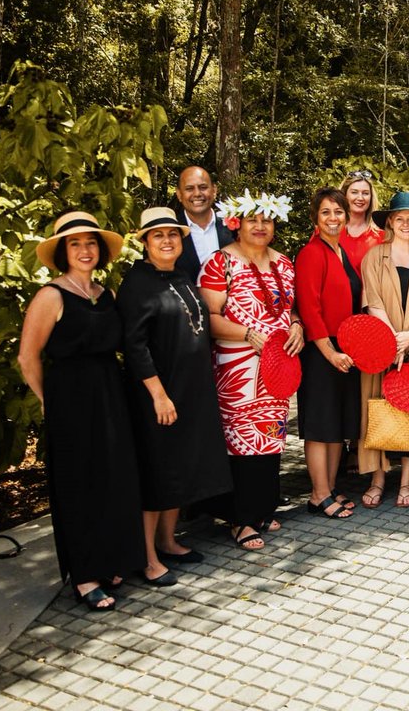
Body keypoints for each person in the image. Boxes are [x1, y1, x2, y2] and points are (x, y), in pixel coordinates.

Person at [17, 212, 144, 610]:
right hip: (70, 399)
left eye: (90, 243)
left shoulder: (106, 294)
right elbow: (28, 358)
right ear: (62, 252)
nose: (85, 250)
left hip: (110, 393)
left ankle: (109, 560)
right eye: (75, 244)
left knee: (112, 479)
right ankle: (85, 575)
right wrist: (48, 400)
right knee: (79, 486)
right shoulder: (50, 296)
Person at [117, 208, 232, 587]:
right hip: (158, 393)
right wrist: (158, 395)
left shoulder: (180, 274)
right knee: (157, 472)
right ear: (145, 242)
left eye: (172, 234)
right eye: (157, 235)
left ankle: (168, 541)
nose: (166, 241)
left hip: (190, 388)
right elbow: (135, 347)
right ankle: (146, 558)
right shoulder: (136, 283)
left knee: (179, 468)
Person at [198, 193, 304, 552]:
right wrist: (245, 334)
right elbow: (209, 319)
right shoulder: (220, 262)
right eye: (252, 220)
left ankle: (261, 508)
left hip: (276, 365)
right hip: (237, 369)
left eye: (267, 221)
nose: (260, 227)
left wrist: (297, 326)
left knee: (270, 438)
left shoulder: (285, 264)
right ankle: (239, 519)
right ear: (235, 224)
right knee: (241, 442)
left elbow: (289, 310)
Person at [359, 191, 409, 507]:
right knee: (377, 407)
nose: (405, 223)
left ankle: (407, 479)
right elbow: (372, 302)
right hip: (381, 344)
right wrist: (392, 338)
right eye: (399, 218)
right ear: (389, 222)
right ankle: (378, 478)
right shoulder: (373, 257)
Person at [294, 188, 364, 518]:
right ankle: (318, 493)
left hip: (344, 349)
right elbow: (309, 310)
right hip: (322, 350)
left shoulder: (340, 252)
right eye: (325, 212)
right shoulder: (311, 253)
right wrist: (329, 352)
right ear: (315, 218)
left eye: (338, 212)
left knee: (337, 424)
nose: (333, 218)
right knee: (321, 425)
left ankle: (331, 487)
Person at [174, 166, 235, 284]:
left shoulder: (233, 227)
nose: (197, 193)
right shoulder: (171, 232)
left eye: (203, 187)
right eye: (189, 188)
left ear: (214, 190)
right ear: (179, 194)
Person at [339, 171, 386, 274]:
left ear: (371, 197)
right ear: (344, 196)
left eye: (365, 193)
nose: (360, 198)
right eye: (354, 192)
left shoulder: (381, 237)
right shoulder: (327, 231)